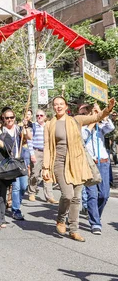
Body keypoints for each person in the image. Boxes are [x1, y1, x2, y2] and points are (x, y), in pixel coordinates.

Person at [42, 96, 115, 242]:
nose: (58, 106)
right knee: (67, 195)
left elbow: (97, 117)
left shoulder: (76, 120)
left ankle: (74, 230)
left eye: (61, 104)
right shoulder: (49, 124)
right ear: (53, 107)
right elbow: (48, 147)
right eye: (56, 104)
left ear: (66, 106)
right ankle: (61, 219)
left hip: (77, 162)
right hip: (59, 162)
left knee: (76, 198)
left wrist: (108, 109)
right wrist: (45, 167)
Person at [78, 103, 114, 235]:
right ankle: (95, 223)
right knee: (92, 194)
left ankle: (96, 215)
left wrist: (101, 114)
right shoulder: (80, 127)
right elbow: (83, 136)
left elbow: (110, 127)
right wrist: (92, 121)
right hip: (88, 163)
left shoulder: (99, 126)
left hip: (103, 162)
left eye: (85, 113)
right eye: (81, 114)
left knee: (104, 195)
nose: (82, 116)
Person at [0, 108, 32, 221]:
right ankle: (16, 210)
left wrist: (26, 127)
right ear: (3, 118)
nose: (9, 120)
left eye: (11, 117)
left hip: (20, 160)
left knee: (24, 186)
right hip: (9, 161)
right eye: (7, 118)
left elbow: (29, 137)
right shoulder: (1, 130)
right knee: (16, 187)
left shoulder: (19, 129)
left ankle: (16, 202)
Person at [27, 110, 57, 203]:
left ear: (45, 117)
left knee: (47, 174)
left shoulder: (48, 126)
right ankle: (32, 192)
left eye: (41, 115)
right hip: (36, 151)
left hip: (47, 152)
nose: (39, 117)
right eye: (37, 115)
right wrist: (32, 154)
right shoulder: (33, 126)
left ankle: (49, 197)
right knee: (35, 174)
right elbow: (29, 140)